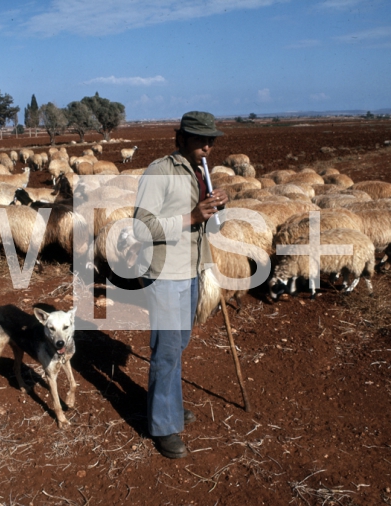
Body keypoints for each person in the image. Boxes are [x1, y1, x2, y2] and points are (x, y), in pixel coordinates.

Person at [133, 111, 229, 459]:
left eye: (212, 140)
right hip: (165, 272)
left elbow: (210, 227)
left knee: (179, 342)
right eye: (201, 139)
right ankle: (163, 426)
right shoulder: (159, 171)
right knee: (168, 349)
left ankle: (169, 406)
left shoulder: (201, 173)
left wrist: (218, 207)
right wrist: (191, 217)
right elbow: (140, 226)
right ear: (182, 138)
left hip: (190, 268)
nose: (208, 145)